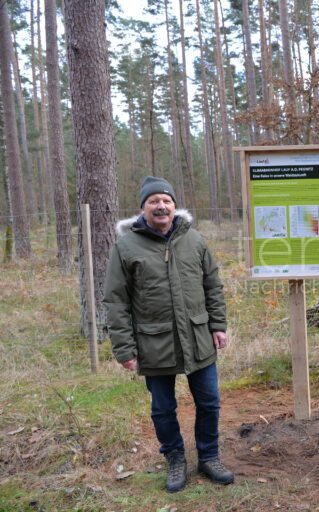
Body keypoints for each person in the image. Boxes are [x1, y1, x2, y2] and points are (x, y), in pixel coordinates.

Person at [104, 176, 234, 492]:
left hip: (198, 336)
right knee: (163, 408)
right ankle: (175, 459)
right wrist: (124, 348)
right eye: (154, 201)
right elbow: (116, 300)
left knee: (210, 401)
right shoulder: (126, 247)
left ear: (175, 206)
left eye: (166, 201)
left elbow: (212, 286)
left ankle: (209, 457)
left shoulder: (195, 241)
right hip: (153, 342)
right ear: (144, 208)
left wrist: (218, 325)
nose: (161, 206)